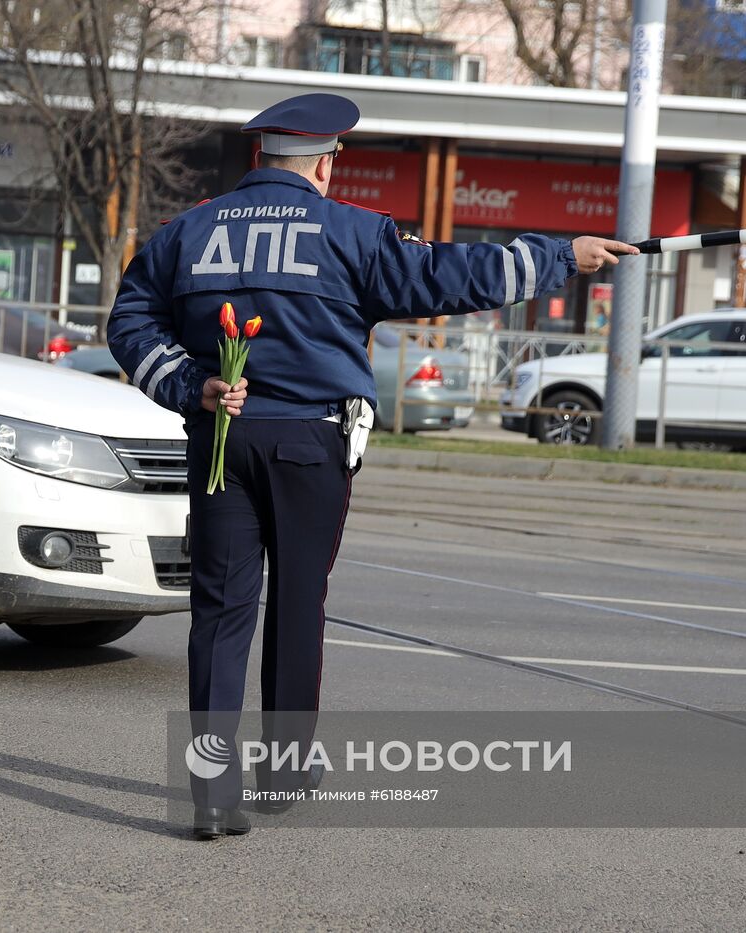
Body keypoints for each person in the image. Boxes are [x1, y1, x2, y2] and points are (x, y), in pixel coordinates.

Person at [107, 92, 636, 840]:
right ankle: (285, 769)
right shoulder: (352, 231)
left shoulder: (187, 231)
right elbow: (451, 276)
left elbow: (129, 320)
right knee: (297, 605)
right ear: (324, 162)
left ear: (262, 158)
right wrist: (560, 256)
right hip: (310, 445)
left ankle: (211, 792)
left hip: (222, 437)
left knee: (220, 613)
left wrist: (192, 386)